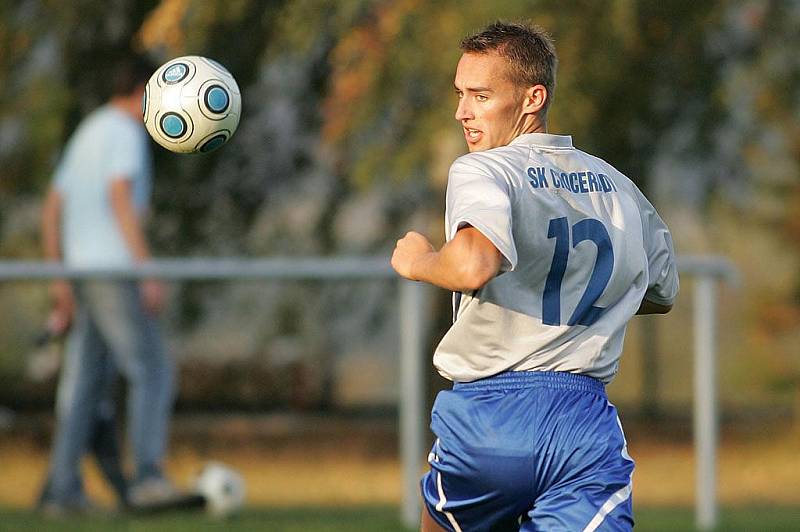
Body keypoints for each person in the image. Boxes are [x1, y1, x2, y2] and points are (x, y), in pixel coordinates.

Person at [391, 22, 678, 531]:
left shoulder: (484, 170)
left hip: (490, 414)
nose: (462, 112)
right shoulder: (617, 185)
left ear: (532, 98)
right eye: (460, 94)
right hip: (582, 424)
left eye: (480, 96)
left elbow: (475, 263)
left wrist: (420, 261)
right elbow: (659, 291)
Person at [39, 54, 178, 514]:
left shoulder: (89, 129)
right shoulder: (124, 132)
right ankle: (147, 478)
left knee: (83, 384)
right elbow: (119, 194)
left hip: (81, 271)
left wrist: (60, 275)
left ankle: (61, 490)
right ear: (143, 90)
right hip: (113, 272)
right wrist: (146, 269)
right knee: (152, 369)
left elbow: (53, 205)